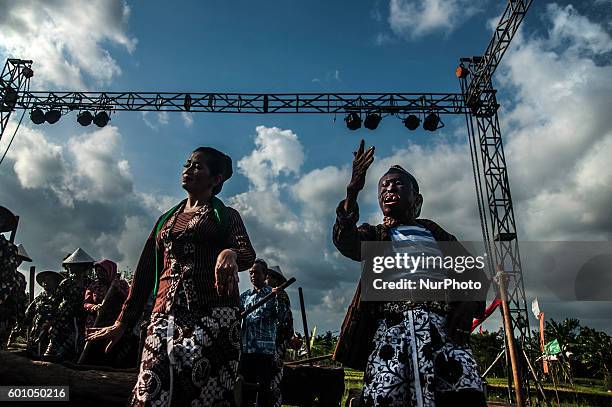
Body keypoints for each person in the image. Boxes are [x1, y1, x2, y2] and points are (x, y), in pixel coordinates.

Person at [86, 147, 256, 406]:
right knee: (150, 388)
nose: (188, 169)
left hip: (214, 319)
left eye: (198, 166)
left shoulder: (225, 216)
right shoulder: (166, 220)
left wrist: (230, 253)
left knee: (203, 394)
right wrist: (123, 322)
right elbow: (144, 274)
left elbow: (246, 253)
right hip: (164, 316)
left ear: (216, 179)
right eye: (187, 163)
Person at [332, 140, 489, 406]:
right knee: (386, 394)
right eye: (383, 186)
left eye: (397, 184)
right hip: (392, 329)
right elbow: (344, 241)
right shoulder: (375, 235)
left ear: (417, 200)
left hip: (441, 328)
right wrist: (352, 192)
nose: (389, 189)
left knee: (463, 391)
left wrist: (469, 302)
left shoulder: (434, 233)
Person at [239, 259, 279, 407]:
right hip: (247, 349)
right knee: (245, 387)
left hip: (264, 351)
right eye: (251, 273)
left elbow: (282, 317)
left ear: (265, 274)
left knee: (263, 389)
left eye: (256, 272)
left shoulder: (273, 295)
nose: (253, 275)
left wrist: (278, 298)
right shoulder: (245, 296)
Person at [44, 247, 95, 361]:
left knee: (76, 344)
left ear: (82, 267)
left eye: (73, 265)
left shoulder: (90, 283)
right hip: (63, 318)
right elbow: (55, 301)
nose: (70, 268)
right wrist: (51, 320)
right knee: (56, 343)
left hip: (81, 318)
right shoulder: (66, 283)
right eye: (70, 265)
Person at [265, 265, 294, 407]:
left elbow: (285, 320)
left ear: (275, 280)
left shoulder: (281, 295)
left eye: (268, 276)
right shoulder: (266, 294)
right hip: (267, 342)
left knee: (274, 375)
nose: (266, 279)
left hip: (277, 342)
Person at [19, 270, 63, 356]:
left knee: (50, 355)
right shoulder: (40, 298)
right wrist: (22, 325)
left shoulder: (60, 297)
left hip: (54, 332)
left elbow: (62, 314)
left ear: (55, 283)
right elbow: (29, 312)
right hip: (37, 331)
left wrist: (51, 324)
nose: (46, 282)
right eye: (44, 280)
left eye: (49, 280)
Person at [84, 259, 128, 329]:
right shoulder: (94, 285)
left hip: (115, 322)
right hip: (96, 322)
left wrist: (118, 290)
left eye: (102, 271)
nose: (99, 274)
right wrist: (93, 307)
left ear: (110, 271)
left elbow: (128, 300)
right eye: (97, 271)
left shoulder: (121, 284)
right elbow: (86, 303)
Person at [0, 235, 25, 349]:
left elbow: (20, 298)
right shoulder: (4, 274)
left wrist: (20, 317)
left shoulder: (20, 278)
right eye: (17, 259)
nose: (18, 262)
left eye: (20, 260)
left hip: (9, 312)